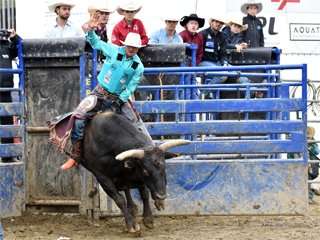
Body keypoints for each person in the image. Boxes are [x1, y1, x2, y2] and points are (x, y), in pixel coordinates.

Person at [56, 13, 149, 170]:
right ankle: (76, 155)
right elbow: (95, 43)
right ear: (125, 45)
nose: (132, 49)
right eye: (130, 46)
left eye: (135, 47)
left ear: (138, 48)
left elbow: (132, 86)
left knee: (136, 124)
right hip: (100, 92)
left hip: (120, 97)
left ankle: (151, 152)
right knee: (79, 116)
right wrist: (91, 29)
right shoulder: (114, 50)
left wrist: (119, 100)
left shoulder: (138, 66)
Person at [0, 29, 21, 163]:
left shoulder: (7, 46)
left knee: (7, 123)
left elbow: (22, 47)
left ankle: (7, 156)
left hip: (6, 90)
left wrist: (14, 37)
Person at [287, 126, 320, 204]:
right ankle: (299, 197)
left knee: (308, 181)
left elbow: (317, 152)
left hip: (307, 166)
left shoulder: (312, 143)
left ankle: (309, 198)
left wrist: (310, 162)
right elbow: (290, 155)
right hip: (297, 165)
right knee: (298, 181)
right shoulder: (295, 144)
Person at [198, 17, 228, 85]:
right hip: (203, 63)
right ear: (211, 22)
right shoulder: (202, 35)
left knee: (237, 72)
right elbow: (196, 53)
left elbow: (223, 54)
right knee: (222, 75)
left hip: (217, 63)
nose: (218, 24)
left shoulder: (222, 37)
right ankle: (204, 93)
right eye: (216, 22)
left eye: (221, 23)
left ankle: (251, 88)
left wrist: (225, 63)